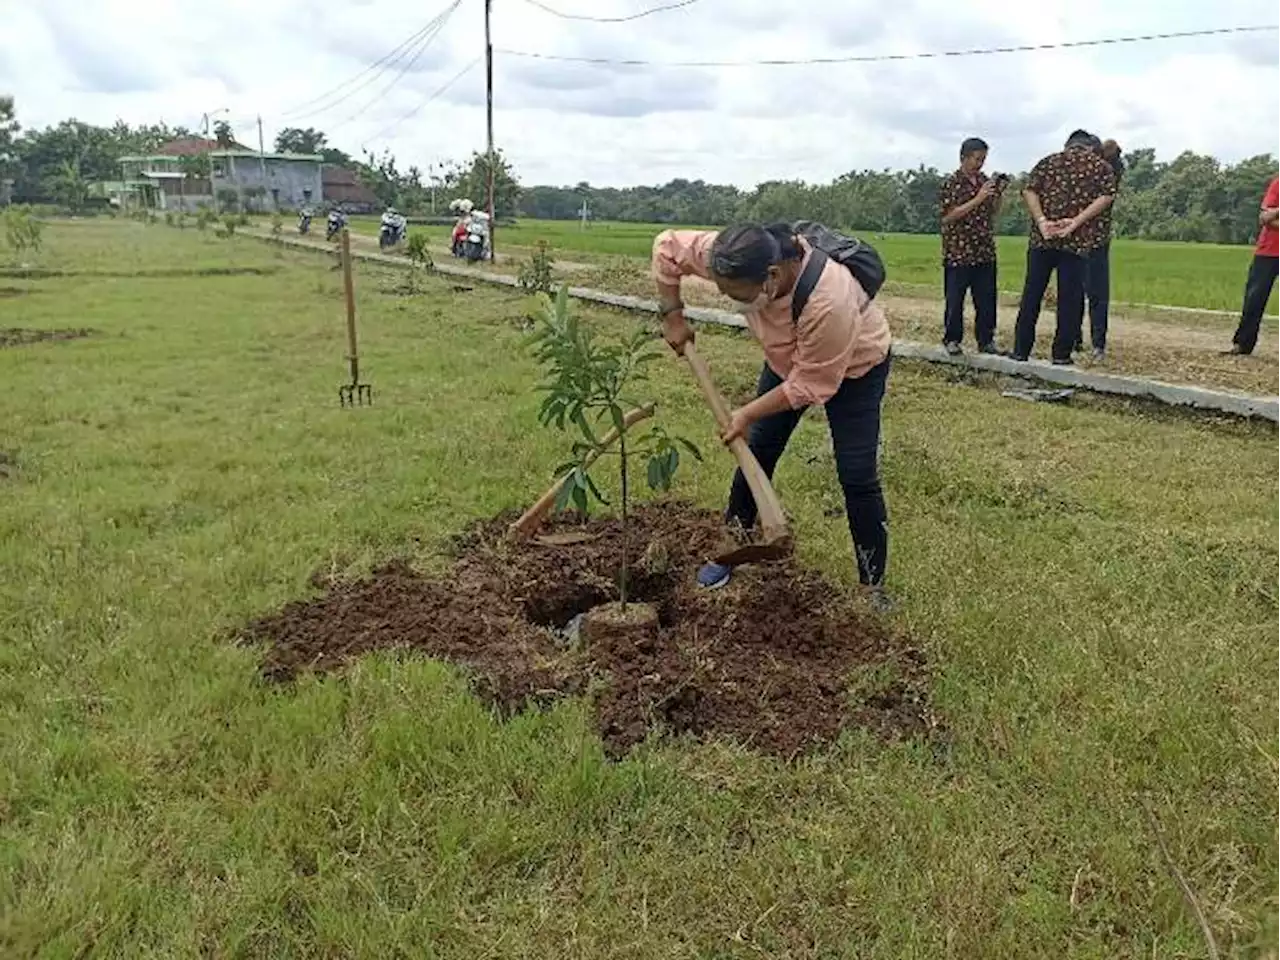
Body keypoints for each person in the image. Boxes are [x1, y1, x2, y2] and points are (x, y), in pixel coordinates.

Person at [652, 223, 894, 608]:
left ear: (772, 276)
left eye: (736, 294)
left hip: (855, 369)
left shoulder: (828, 299)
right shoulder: (728, 252)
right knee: (759, 451)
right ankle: (735, 542)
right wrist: (672, 314)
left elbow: (812, 385)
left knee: (857, 473)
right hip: (787, 362)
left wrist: (746, 412)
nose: (729, 298)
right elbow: (666, 248)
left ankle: (872, 584)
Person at [1012, 130, 1118, 365]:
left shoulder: (1048, 162)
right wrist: (1076, 221)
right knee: (1069, 299)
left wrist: (1042, 221)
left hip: (1043, 239)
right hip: (1075, 241)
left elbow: (1029, 190)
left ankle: (1021, 350)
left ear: (1067, 145)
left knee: (1032, 294)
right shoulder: (1100, 167)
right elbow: (1107, 197)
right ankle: (1060, 354)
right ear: (1089, 148)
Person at [939, 137, 1005, 355]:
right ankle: (952, 339)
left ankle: (986, 340)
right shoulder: (952, 183)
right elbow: (949, 215)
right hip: (959, 249)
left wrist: (997, 195)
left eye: (983, 159)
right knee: (955, 298)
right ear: (964, 158)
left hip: (983, 248)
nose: (980, 164)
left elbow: (992, 213)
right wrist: (978, 198)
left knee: (986, 298)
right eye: (977, 159)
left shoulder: (984, 181)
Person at [1079, 138, 1125, 359]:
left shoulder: (1107, 171)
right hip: (1074, 240)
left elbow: (1113, 150)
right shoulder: (1072, 171)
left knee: (1097, 294)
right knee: (1074, 293)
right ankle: (1075, 339)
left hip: (1095, 240)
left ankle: (1098, 343)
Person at [1226, 173, 1280, 355]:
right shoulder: (1278, 184)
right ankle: (1243, 343)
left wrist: (1277, 213)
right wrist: (1275, 213)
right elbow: (1264, 218)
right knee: (1254, 299)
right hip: (1268, 251)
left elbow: (1271, 219)